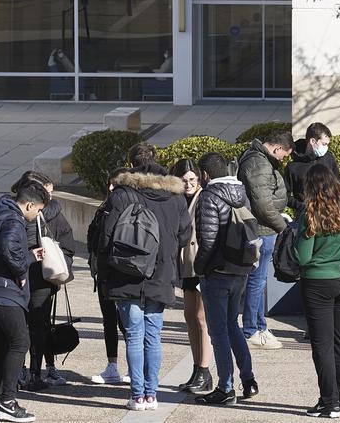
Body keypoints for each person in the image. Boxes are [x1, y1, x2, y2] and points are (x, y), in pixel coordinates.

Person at [96, 142, 192, 410]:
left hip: (127, 272)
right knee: (153, 335)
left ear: (131, 163)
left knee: (134, 335)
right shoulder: (175, 197)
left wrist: (104, 273)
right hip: (161, 273)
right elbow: (185, 235)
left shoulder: (122, 194)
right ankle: (152, 394)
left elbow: (105, 237)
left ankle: (137, 395)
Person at [293, 165, 340, 418]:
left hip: (318, 282)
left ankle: (328, 401)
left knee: (322, 344)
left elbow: (303, 256)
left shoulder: (310, 214)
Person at [0, 181, 51, 423]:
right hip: (6, 292)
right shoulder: (13, 220)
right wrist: (21, 270)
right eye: (38, 210)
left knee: (0, 346)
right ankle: (7, 402)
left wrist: (29, 257)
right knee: (20, 342)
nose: (37, 215)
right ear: (29, 204)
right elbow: (8, 247)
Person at [193, 152, 259, 406]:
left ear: (205, 174)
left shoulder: (210, 196)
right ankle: (249, 379)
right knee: (233, 326)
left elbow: (208, 240)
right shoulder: (241, 193)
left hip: (218, 272)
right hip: (241, 268)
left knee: (218, 332)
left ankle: (225, 387)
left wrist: (199, 268)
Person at [11, 172, 75, 392]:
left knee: (22, 326)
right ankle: (37, 372)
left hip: (23, 278)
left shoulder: (14, 211)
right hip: (43, 278)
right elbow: (67, 244)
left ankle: (23, 371)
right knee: (39, 325)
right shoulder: (53, 212)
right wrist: (59, 265)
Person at [237, 131, 294, 349]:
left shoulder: (258, 159)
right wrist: (283, 227)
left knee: (258, 282)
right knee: (256, 282)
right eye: (283, 156)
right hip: (262, 230)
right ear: (277, 148)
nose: (283, 160)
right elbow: (263, 205)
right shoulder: (259, 164)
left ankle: (259, 326)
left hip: (264, 229)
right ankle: (253, 329)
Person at [169, 158, 213, 394]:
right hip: (186, 265)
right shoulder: (177, 200)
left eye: (192, 180)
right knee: (189, 315)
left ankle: (205, 370)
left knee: (201, 318)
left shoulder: (203, 198)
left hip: (200, 264)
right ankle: (197, 368)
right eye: (183, 180)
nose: (188, 184)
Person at [88, 167, 131, 385]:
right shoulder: (104, 208)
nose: (111, 188)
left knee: (127, 322)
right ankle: (112, 365)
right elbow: (93, 238)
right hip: (104, 273)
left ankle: (135, 367)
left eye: (116, 184)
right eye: (110, 184)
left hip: (121, 273)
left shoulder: (128, 208)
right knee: (109, 320)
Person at [285, 122, 340, 214]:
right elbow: (285, 196)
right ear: (313, 141)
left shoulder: (328, 158)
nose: (326, 147)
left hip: (330, 214)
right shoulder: (293, 166)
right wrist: (301, 206)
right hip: (306, 216)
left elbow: (339, 186)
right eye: (324, 144)